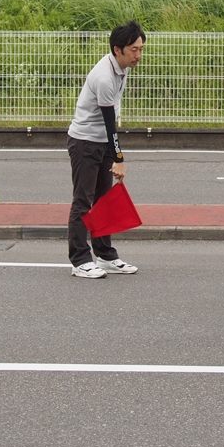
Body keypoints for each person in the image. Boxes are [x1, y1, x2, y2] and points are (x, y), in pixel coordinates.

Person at [66, 19, 146, 278]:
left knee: (103, 200)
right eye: (133, 49)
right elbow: (110, 124)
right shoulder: (104, 77)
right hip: (85, 142)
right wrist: (119, 158)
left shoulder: (121, 68)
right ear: (117, 49)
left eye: (141, 49)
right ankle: (79, 260)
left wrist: (113, 155)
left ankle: (104, 255)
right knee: (84, 200)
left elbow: (109, 129)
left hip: (100, 142)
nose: (138, 55)